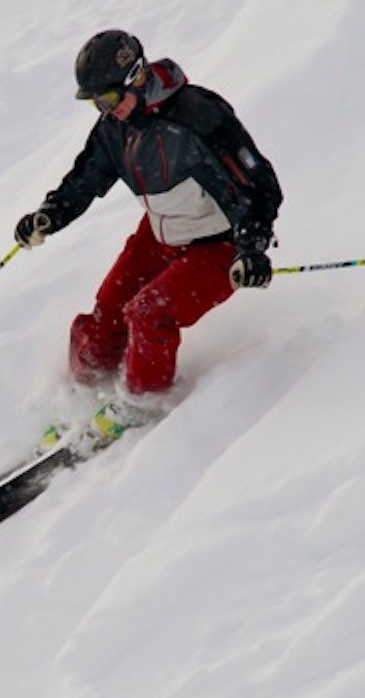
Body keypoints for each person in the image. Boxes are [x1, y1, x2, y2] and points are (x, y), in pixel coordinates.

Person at [15, 30, 282, 433]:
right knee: (108, 311)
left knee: (149, 312)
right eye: (96, 103)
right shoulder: (113, 127)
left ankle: (141, 403)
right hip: (160, 236)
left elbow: (260, 188)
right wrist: (49, 215)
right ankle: (84, 395)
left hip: (219, 246)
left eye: (108, 99)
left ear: (137, 77)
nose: (105, 110)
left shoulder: (198, 116)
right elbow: (86, 178)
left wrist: (252, 249)